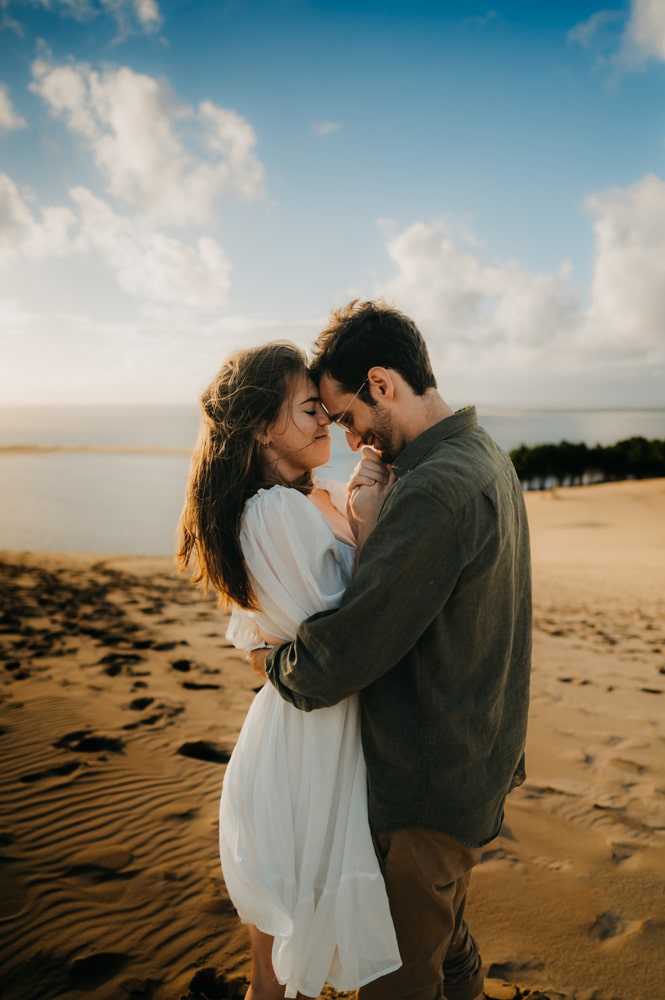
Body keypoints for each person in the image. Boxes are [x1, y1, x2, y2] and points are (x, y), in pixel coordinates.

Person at [257, 300, 533, 1000]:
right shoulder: (481, 456)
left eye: (345, 415)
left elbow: (345, 653)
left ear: (382, 384)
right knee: (446, 949)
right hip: (473, 762)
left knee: (397, 979)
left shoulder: (436, 490)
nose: (347, 438)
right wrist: (370, 529)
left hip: (426, 789)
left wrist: (276, 665)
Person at [176, 342, 401, 1000]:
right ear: (257, 425)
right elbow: (345, 632)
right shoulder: (272, 512)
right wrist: (375, 521)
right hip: (307, 747)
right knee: (280, 971)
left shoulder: (314, 497)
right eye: (308, 409)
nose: (326, 421)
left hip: (325, 734)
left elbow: (256, 635)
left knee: (296, 952)